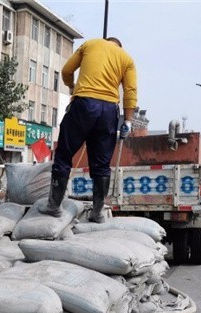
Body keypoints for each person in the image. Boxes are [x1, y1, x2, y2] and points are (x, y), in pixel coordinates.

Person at [40, 37, 137, 222]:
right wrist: (129, 121)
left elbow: (67, 70)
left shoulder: (90, 44)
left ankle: (54, 206)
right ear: (119, 46)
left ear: (106, 41)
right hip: (109, 111)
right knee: (101, 164)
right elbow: (131, 91)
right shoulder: (127, 59)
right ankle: (98, 212)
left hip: (84, 104)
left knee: (64, 154)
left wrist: (72, 87)